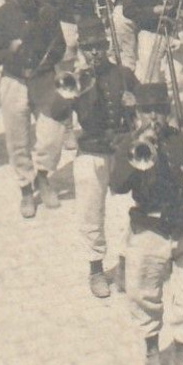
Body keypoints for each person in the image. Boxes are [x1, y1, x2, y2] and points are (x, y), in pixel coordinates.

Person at [112, 83, 183, 365]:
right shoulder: (129, 145)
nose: (154, 118)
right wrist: (136, 150)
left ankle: (182, 361)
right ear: (138, 113)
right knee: (143, 293)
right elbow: (117, 185)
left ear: (167, 112)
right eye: (147, 111)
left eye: (159, 110)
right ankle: (151, 352)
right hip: (150, 229)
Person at [42, 17, 139, 299]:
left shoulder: (123, 73)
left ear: (108, 46)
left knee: (135, 206)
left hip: (122, 151)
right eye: (89, 48)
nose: (95, 53)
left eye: (99, 47)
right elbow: (57, 111)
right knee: (90, 210)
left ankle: (126, 261)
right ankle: (96, 268)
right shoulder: (77, 77)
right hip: (92, 152)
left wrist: (135, 102)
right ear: (82, 50)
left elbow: (150, 102)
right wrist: (75, 86)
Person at [0, 0, 67, 216]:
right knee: (17, 139)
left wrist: (44, 64)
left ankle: (43, 177)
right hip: (13, 82)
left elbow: (59, 46)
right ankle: (25, 188)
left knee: (53, 132)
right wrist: (10, 49)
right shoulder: (0, 16)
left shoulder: (47, 12)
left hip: (44, 81)